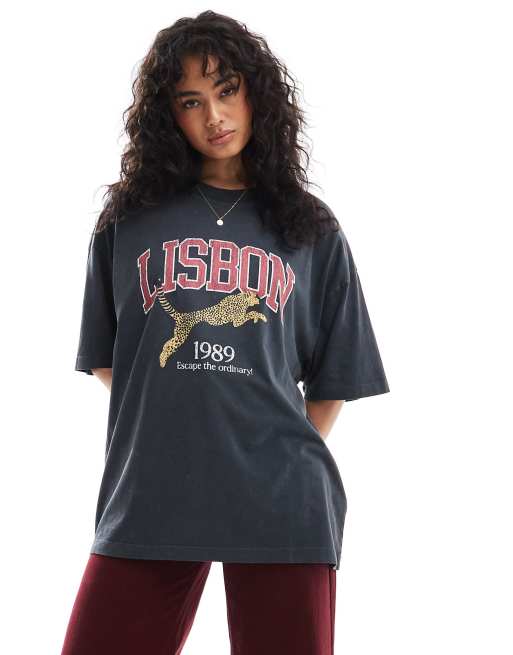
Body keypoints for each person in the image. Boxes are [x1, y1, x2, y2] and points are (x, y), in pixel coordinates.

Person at [61, 10, 390, 655]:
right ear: (168, 116)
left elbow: (336, 375)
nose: (214, 116)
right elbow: (109, 355)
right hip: (152, 491)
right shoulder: (127, 221)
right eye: (191, 101)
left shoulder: (311, 228)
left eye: (227, 89)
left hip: (282, 499)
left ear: (256, 92)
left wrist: (260, 449)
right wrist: (180, 427)